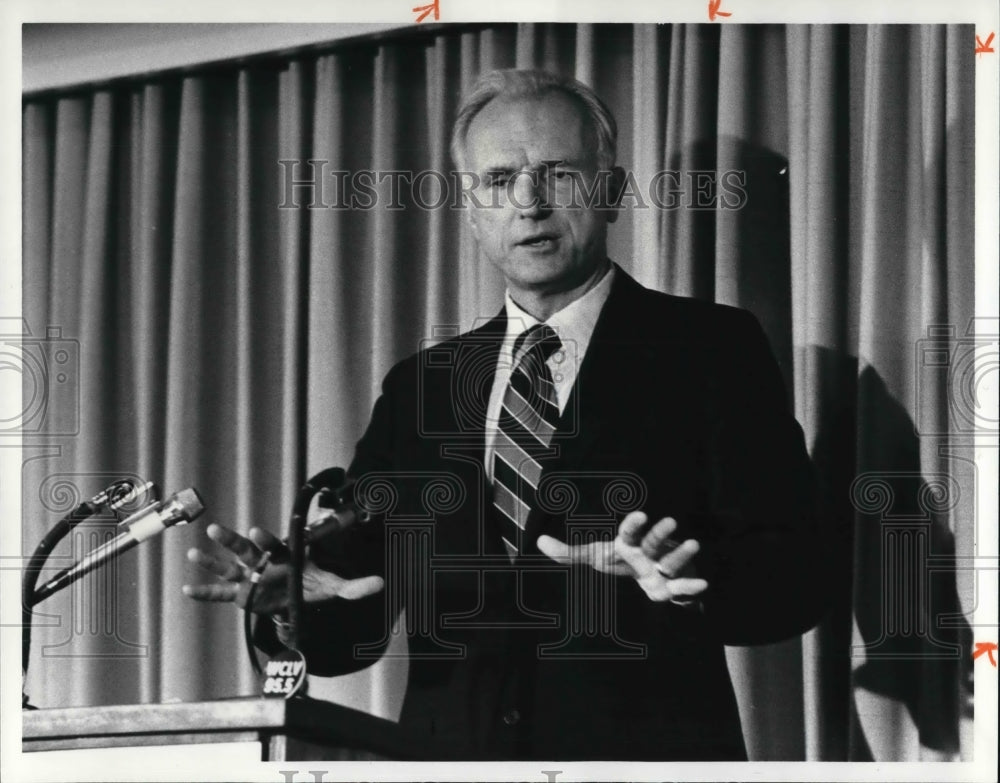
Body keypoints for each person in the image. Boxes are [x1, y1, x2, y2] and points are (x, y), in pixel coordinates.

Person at [184, 69, 832, 760]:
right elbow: (357, 614)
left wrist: (687, 581)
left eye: (556, 173)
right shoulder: (420, 388)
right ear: (470, 212)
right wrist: (294, 604)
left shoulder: (709, 349)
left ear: (611, 193)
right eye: (498, 181)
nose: (528, 202)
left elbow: (795, 577)